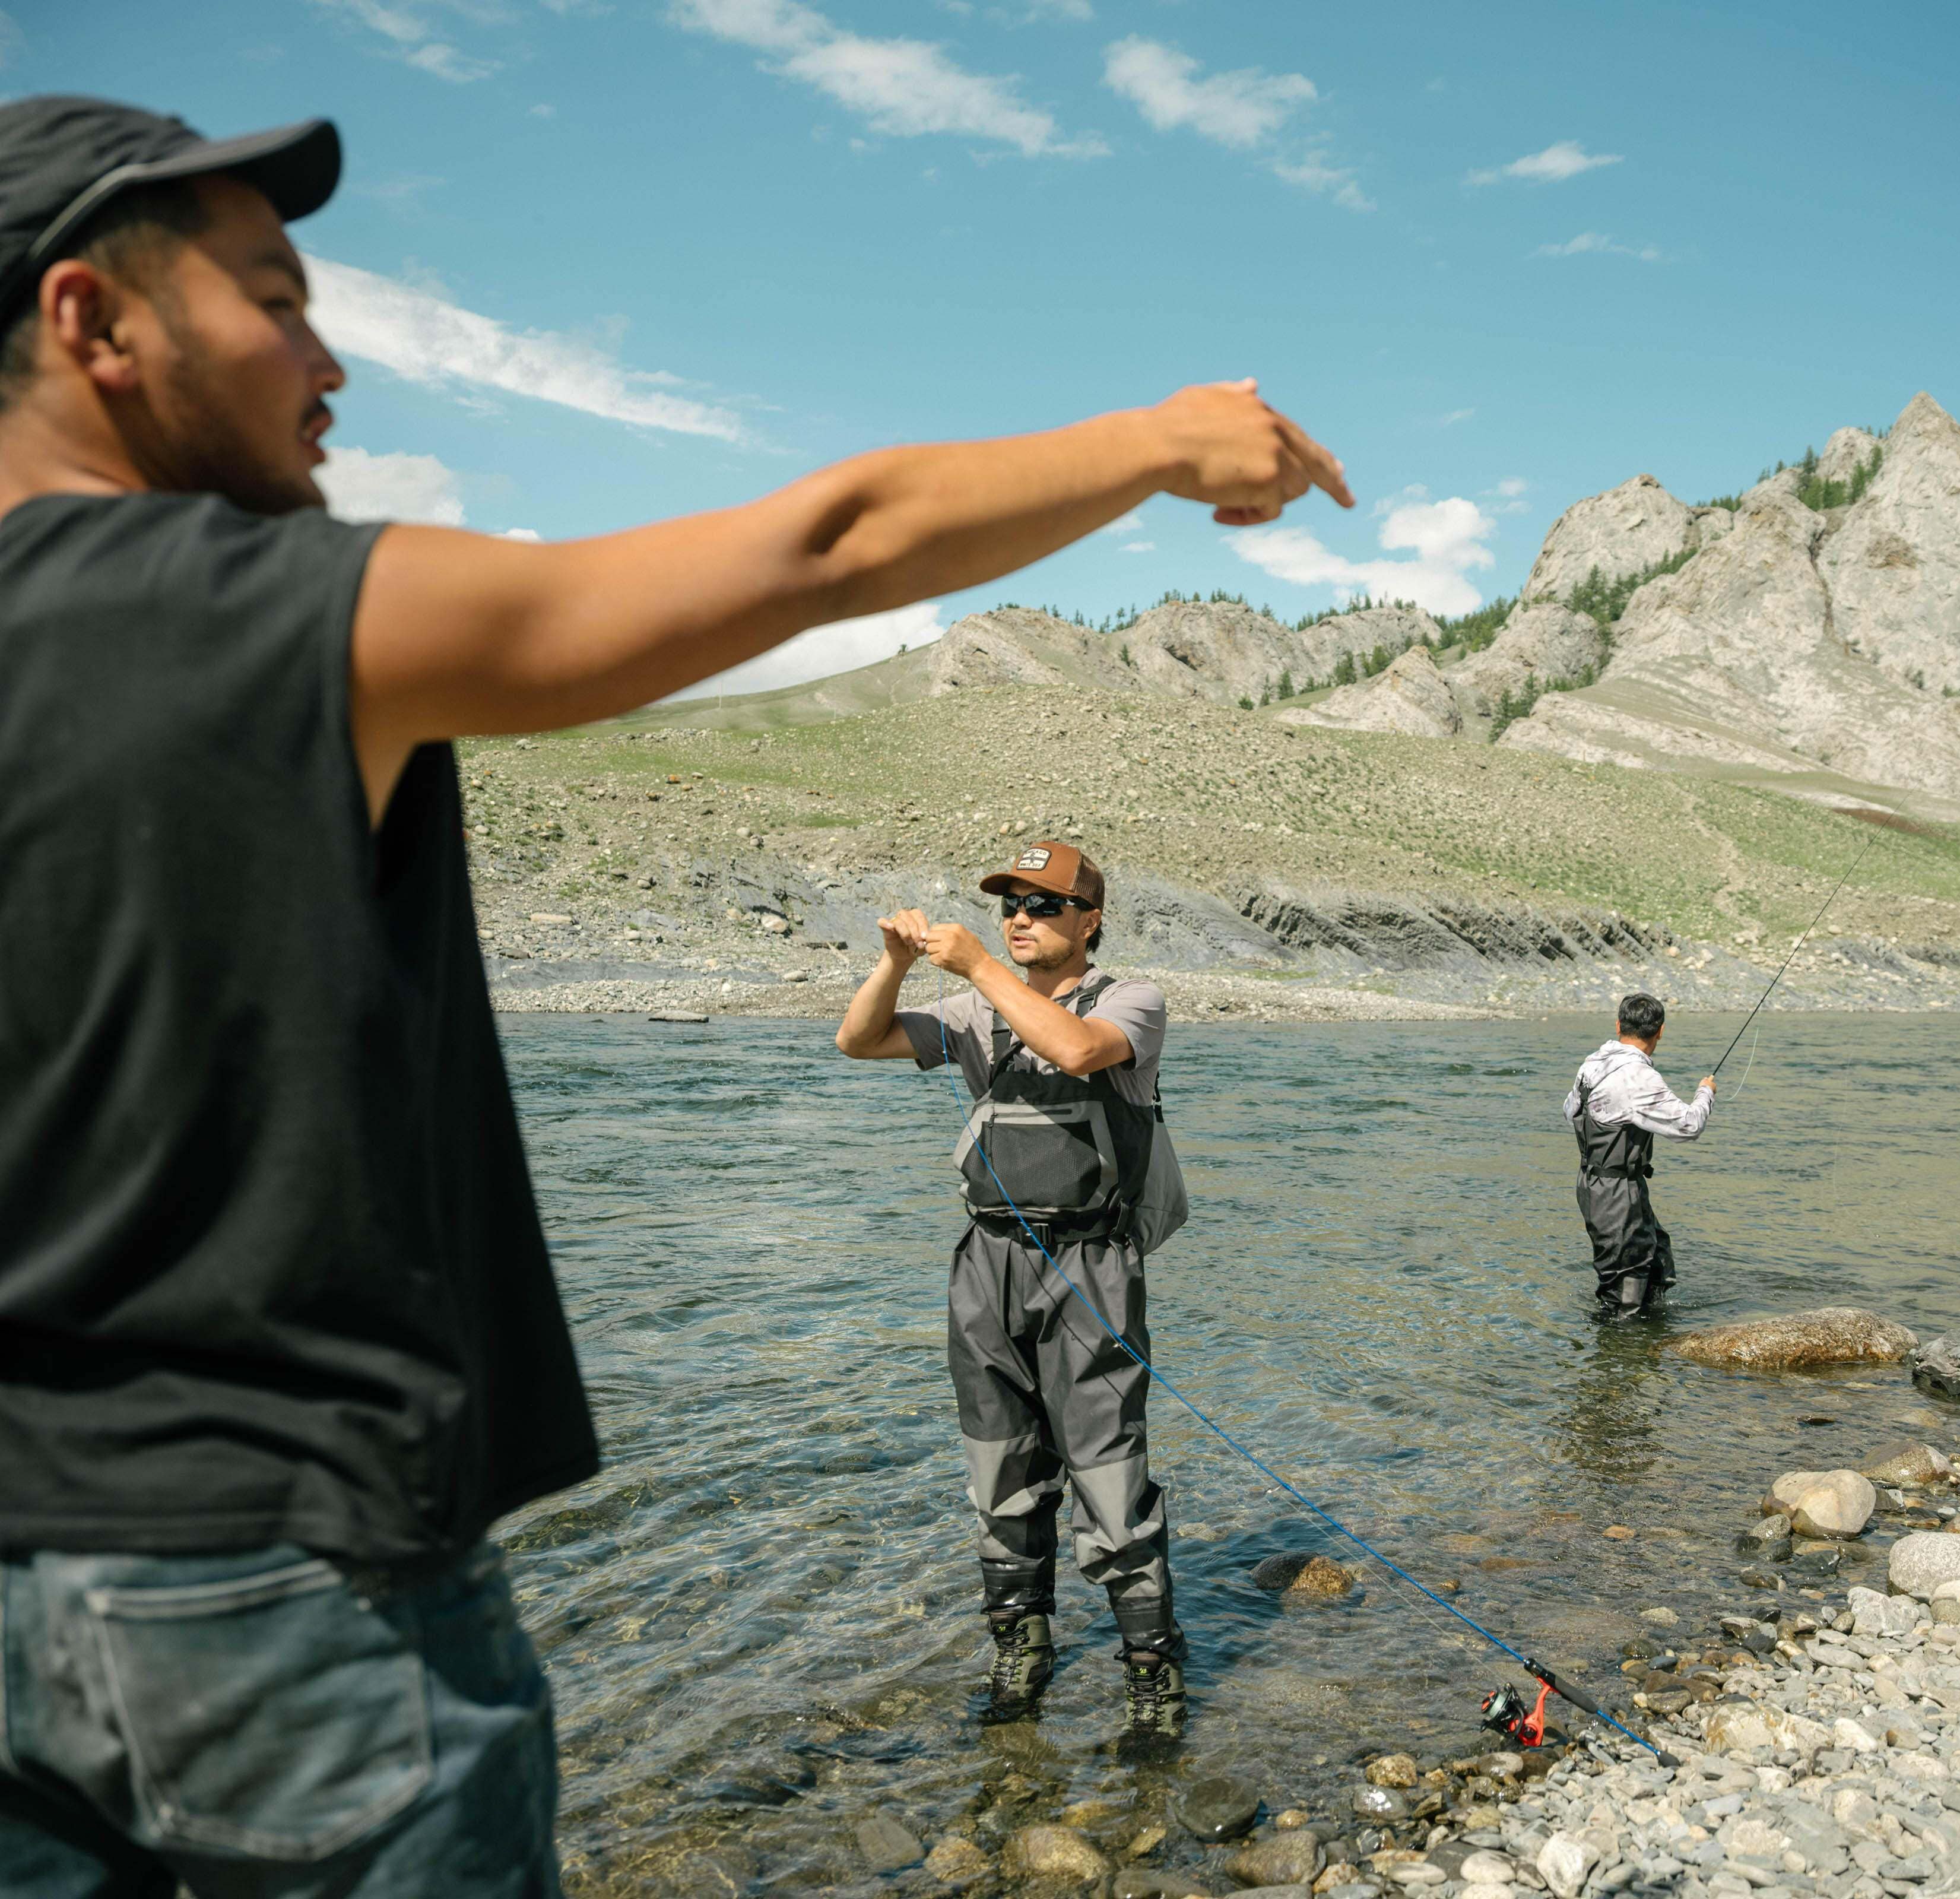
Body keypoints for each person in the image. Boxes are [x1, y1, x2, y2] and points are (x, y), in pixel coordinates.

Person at [0, 91, 1347, 1893]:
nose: (328, 358)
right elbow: (827, 545)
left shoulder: (1127, 994)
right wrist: (1165, 440)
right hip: (284, 1572)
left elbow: (1087, 1044)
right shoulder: (259, 614)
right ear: (90, 320)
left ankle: (1111, 1689)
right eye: (272, 297)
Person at [833, 844, 1191, 1737]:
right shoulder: (970, 1008)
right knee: (1000, 1471)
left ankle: (1150, 1673)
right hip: (985, 1265)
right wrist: (896, 961)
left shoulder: (1131, 1001)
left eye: (1043, 903)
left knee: (1109, 1478)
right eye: (1009, 904)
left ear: (1090, 918)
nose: (1020, 916)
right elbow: (859, 1039)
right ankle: (1019, 1646)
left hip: (1091, 1270)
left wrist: (982, 965)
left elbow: (1074, 1050)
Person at [1563, 992, 1715, 1320]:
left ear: (1619, 1024)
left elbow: (1569, 1111)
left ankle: (1649, 1337)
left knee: (1655, 1254)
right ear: (1660, 1032)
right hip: (1617, 1190)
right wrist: (1706, 1092)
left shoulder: (1593, 1062)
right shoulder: (1638, 1077)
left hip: (1594, 1181)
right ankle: (1622, 1352)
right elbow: (1689, 1126)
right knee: (1626, 1279)